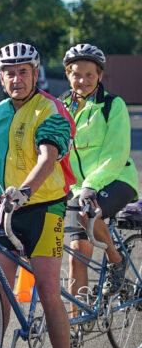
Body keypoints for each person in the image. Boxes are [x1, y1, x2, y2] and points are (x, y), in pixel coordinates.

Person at [0, 41, 80, 348]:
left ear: (35, 74)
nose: (16, 78)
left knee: (49, 290)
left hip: (43, 208)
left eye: (23, 72)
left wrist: (24, 191)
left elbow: (48, 156)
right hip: (5, 209)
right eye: (9, 72)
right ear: (1, 77)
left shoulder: (50, 109)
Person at [60, 44, 138, 303]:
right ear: (68, 74)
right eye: (76, 74)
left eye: (89, 75)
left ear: (100, 76)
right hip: (79, 189)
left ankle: (116, 263)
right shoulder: (62, 108)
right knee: (76, 260)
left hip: (116, 180)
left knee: (87, 214)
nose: (82, 80)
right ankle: (77, 324)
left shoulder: (112, 105)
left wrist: (91, 185)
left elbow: (116, 153)